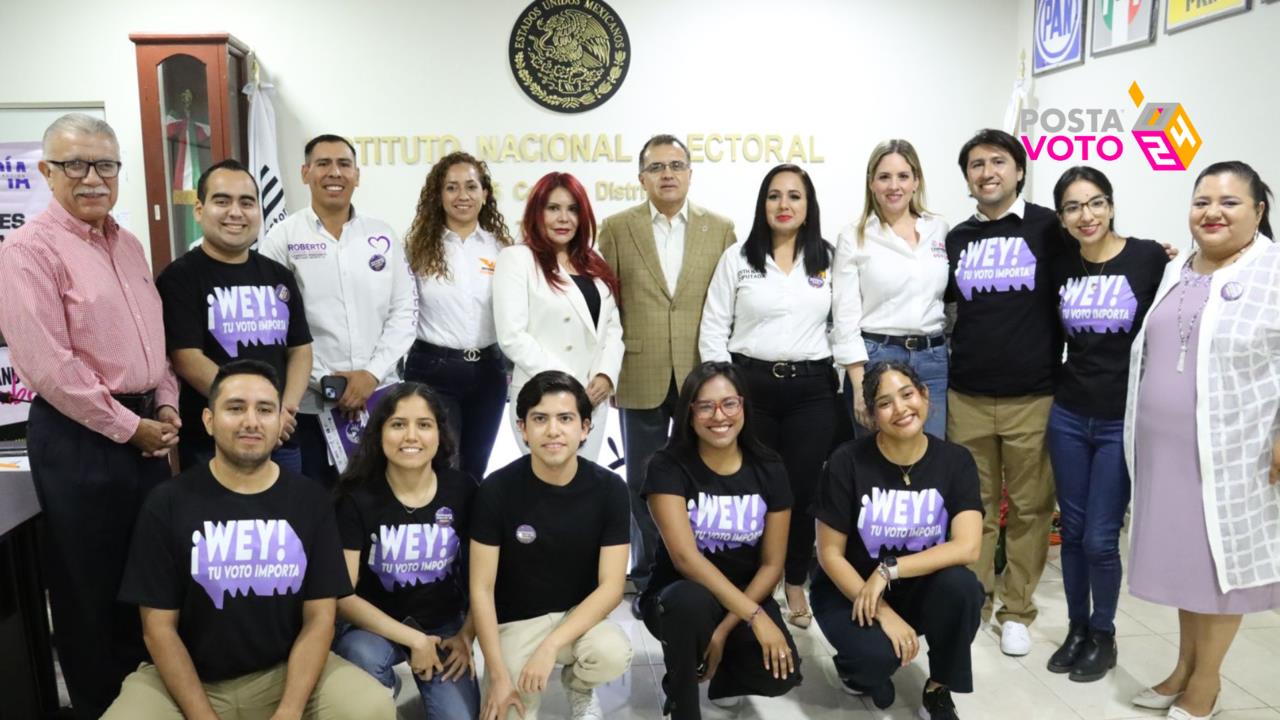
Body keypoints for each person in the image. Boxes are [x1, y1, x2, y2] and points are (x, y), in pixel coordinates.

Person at [0, 113, 179, 719]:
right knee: (90, 590)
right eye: (75, 164)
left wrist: (167, 406)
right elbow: (48, 365)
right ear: (47, 172)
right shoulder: (27, 250)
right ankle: (106, 709)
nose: (93, 178)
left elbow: (156, 342)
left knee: (147, 580)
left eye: (105, 164)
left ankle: (148, 702)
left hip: (147, 432)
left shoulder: (128, 244)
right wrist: (132, 428)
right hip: (82, 439)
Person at [103, 360, 393, 719]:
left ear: (280, 422)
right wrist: (202, 715)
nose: (251, 421)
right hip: (188, 678)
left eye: (265, 409)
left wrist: (289, 711)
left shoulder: (310, 501)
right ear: (209, 421)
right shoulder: (167, 503)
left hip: (284, 672)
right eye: (236, 408)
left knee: (370, 707)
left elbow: (320, 618)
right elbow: (158, 629)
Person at [1124, 161, 1280, 720]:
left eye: (1230, 202)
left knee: (1221, 572)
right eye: (1202, 200)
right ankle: (1183, 668)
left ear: (1259, 210)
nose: (1213, 212)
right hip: (1169, 453)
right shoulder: (1178, 268)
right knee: (1190, 565)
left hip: (1236, 449)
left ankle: (1206, 685)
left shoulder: (1273, 271)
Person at [597, 134, 738, 617]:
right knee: (642, 479)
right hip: (641, 370)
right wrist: (608, 370)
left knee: (706, 479)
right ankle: (649, 573)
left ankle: (703, 570)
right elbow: (607, 308)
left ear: (691, 173)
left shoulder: (719, 229)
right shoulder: (617, 228)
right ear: (641, 178)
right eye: (656, 167)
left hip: (704, 377)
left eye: (676, 165)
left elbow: (728, 302)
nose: (668, 174)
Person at [1043, 166, 1168, 682]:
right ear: (1062, 217)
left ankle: (1103, 633)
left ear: (1111, 205)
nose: (1086, 215)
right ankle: (1076, 629)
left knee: (1099, 538)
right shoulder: (1061, 265)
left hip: (1121, 418)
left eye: (1095, 203)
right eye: (1073, 207)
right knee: (1071, 533)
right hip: (1070, 414)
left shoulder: (1148, 258)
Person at [943, 129, 1063, 656]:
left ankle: (1017, 610)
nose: (986, 171)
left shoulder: (1049, 229)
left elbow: (1100, 259)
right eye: (975, 164)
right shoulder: (957, 238)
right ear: (966, 177)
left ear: (1018, 169)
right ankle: (975, 600)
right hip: (966, 393)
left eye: (997, 161)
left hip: (1032, 395)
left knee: (1032, 508)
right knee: (975, 508)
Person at [700, 163, 836, 629]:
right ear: (762, 205)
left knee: (800, 491)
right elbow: (714, 328)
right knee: (751, 490)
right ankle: (749, 582)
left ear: (807, 206)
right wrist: (722, 392)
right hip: (749, 389)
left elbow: (844, 326)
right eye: (774, 196)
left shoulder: (828, 260)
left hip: (812, 392)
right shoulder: (738, 258)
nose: (784, 205)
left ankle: (794, 577)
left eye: (794, 196)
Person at [811, 361, 984, 720]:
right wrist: (884, 612)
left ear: (924, 395)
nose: (902, 409)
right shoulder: (847, 461)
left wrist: (890, 569)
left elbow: (967, 547)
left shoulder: (956, 460)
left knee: (964, 588)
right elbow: (829, 554)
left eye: (907, 394)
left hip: (918, 585)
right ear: (872, 416)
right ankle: (856, 668)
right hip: (850, 588)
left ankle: (938, 688)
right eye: (885, 403)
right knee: (875, 658)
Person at [639, 361, 801, 718]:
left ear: (743, 406)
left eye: (729, 403)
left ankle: (719, 670)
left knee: (781, 674)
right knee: (689, 602)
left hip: (744, 596)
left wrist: (727, 629)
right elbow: (685, 559)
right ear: (689, 413)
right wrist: (756, 619)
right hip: (678, 596)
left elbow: (773, 563)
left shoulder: (770, 467)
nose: (719, 415)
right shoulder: (667, 466)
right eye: (705, 405)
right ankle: (683, 699)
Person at [470, 371, 633, 720]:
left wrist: (551, 646)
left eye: (565, 418)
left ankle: (578, 684)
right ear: (523, 429)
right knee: (506, 709)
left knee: (611, 653)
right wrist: (498, 675)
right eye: (540, 419)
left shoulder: (609, 489)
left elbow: (612, 587)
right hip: (517, 623)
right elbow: (481, 589)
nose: (553, 430)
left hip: (580, 619)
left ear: (585, 428)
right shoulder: (496, 490)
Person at [260, 134, 416, 487]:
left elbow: (405, 313)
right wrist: (330, 383)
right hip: (312, 406)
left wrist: (371, 375)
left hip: (380, 398)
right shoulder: (281, 239)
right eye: (323, 164)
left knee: (379, 500)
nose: (335, 173)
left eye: (344, 164)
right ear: (304, 173)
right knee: (319, 503)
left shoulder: (383, 235)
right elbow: (275, 324)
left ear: (357, 175)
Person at [333, 383, 481, 718]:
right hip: (373, 629)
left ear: (440, 434)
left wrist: (466, 634)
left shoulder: (463, 490)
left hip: (444, 626)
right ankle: (379, 687)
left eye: (424, 425)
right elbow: (344, 594)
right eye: (398, 424)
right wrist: (413, 640)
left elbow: (483, 579)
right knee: (361, 656)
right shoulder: (355, 498)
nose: (410, 436)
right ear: (379, 432)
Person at [157, 158, 314, 472]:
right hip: (213, 444)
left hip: (279, 438)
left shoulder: (279, 275)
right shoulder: (179, 277)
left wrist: (283, 411)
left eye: (246, 202)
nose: (236, 212)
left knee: (284, 518)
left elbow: (300, 350)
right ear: (199, 210)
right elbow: (187, 358)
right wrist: (253, 412)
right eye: (222, 201)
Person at [493, 172, 624, 463]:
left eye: (572, 209)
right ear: (536, 213)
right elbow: (512, 336)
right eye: (553, 208)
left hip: (593, 398)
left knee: (585, 486)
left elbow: (612, 327)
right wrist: (568, 384)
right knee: (546, 490)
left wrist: (606, 374)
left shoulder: (593, 261)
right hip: (542, 397)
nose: (563, 218)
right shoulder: (517, 259)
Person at [403, 152, 512, 481]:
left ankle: (471, 535)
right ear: (438, 195)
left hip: (489, 373)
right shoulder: (416, 248)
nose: (462, 196)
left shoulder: (503, 248)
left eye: (470, 186)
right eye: (451, 188)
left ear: (485, 194)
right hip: (433, 370)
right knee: (440, 469)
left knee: (475, 470)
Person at [833, 139, 950, 439]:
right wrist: (859, 386)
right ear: (871, 183)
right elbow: (845, 318)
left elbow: (949, 302)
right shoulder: (854, 236)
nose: (893, 185)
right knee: (877, 463)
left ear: (916, 181)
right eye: (884, 177)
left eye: (903, 176)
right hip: (876, 358)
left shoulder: (939, 229)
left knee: (931, 457)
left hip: (933, 359)